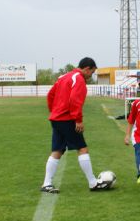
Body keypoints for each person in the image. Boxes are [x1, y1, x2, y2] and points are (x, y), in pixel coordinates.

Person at [40, 57, 103, 193]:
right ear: (87, 69)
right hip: (67, 119)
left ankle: (46, 183)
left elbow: (50, 95)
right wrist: (78, 119)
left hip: (56, 119)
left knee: (57, 150)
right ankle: (93, 183)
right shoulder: (79, 79)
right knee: (82, 148)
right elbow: (75, 100)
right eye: (92, 73)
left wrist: (54, 111)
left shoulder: (64, 76)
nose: (91, 76)